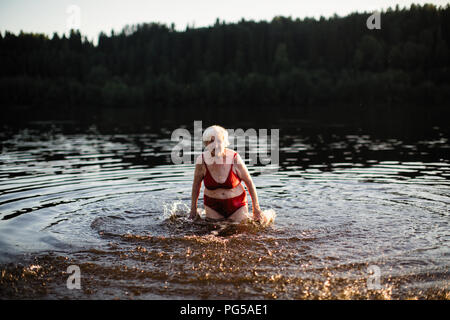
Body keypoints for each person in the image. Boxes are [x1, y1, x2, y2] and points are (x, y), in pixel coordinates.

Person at [189, 125, 263, 222]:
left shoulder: (235, 158)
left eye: (219, 141)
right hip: (212, 206)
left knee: (241, 233)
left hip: (237, 205)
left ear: (224, 142)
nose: (215, 145)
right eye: (211, 141)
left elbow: (249, 182)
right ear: (206, 144)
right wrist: (193, 209)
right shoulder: (201, 161)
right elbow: (196, 186)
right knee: (213, 234)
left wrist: (256, 209)